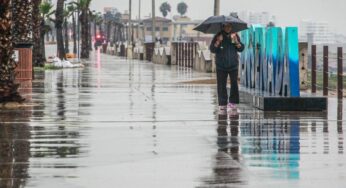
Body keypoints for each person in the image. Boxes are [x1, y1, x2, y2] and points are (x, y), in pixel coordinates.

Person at [210, 23, 244, 113]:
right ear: (223, 27)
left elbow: (241, 49)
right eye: (227, 26)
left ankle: (233, 103)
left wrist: (236, 41)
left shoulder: (234, 35)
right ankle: (222, 104)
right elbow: (212, 49)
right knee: (221, 85)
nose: (228, 28)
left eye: (230, 26)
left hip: (233, 65)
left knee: (234, 84)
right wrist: (218, 41)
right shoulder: (218, 35)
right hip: (221, 65)